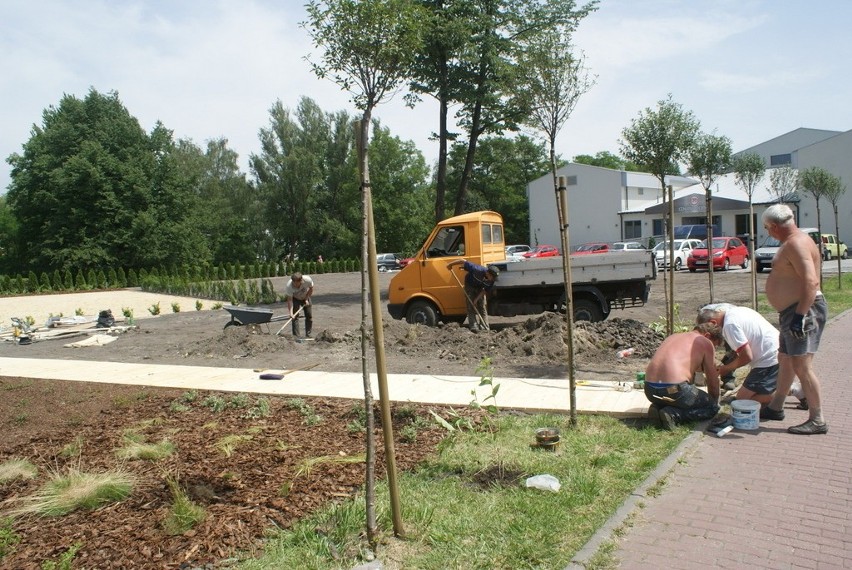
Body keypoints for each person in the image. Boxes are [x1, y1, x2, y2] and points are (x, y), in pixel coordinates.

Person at [760, 204, 829, 435]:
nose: (768, 231)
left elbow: (811, 282)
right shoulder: (795, 241)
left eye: (767, 228)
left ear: (775, 226)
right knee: (786, 359)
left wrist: (800, 316)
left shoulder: (796, 243)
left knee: (802, 365)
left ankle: (817, 419)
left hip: (802, 311)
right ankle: (776, 406)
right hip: (793, 311)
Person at [696, 303, 783, 405]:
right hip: (776, 350)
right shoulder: (736, 311)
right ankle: (786, 386)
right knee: (745, 396)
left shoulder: (729, 326)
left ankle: (788, 389)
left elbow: (746, 356)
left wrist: (726, 369)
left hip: (769, 359)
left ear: (713, 322)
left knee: (742, 400)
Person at [644, 322, 722, 430]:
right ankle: (673, 415)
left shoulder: (673, 336)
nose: (714, 349)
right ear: (708, 336)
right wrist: (713, 402)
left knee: (675, 397)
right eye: (715, 345)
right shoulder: (705, 342)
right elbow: (712, 382)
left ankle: (657, 407)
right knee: (712, 408)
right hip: (676, 390)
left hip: (649, 389)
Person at [446, 259, 499, 332]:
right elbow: (462, 261)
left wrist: (476, 299)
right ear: (488, 273)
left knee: (482, 306)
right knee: (470, 305)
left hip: (480, 287)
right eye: (493, 277)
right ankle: (474, 326)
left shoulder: (491, 281)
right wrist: (450, 264)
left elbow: (484, 291)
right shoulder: (476, 269)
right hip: (470, 285)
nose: (493, 280)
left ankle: (484, 327)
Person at [285, 272, 314, 338]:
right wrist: (291, 313)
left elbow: (311, 289)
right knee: (295, 317)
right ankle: (296, 336)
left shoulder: (308, 280)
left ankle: (308, 334)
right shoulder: (289, 286)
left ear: (301, 281)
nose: (295, 285)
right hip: (295, 299)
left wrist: (306, 299)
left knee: (309, 316)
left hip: (305, 296)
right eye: (294, 283)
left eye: (297, 284)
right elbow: (290, 300)